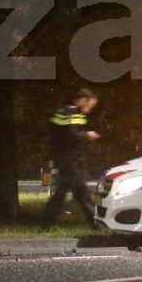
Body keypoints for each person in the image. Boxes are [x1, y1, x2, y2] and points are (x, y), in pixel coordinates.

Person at [40, 88, 102, 227]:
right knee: (80, 192)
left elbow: (57, 136)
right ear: (83, 101)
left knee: (66, 193)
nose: (89, 109)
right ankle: (96, 223)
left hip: (65, 159)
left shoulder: (65, 113)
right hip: (69, 160)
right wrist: (88, 135)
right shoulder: (72, 114)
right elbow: (71, 135)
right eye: (89, 105)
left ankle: (46, 223)